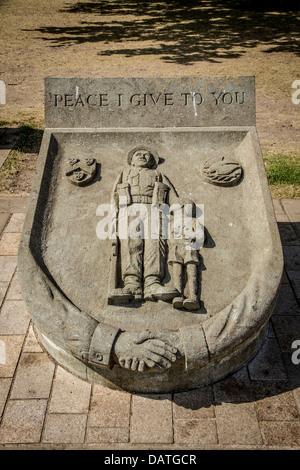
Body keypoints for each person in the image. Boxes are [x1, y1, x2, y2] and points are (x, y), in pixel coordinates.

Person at [111, 146, 179, 302]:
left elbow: (173, 197)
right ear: (132, 160)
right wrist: (113, 218)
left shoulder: (158, 174)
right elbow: (114, 196)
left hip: (154, 208)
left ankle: (152, 283)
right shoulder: (124, 174)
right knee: (131, 245)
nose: (142, 156)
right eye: (138, 154)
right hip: (129, 208)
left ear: (152, 161)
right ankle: (131, 284)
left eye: (146, 155)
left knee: (154, 244)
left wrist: (180, 210)